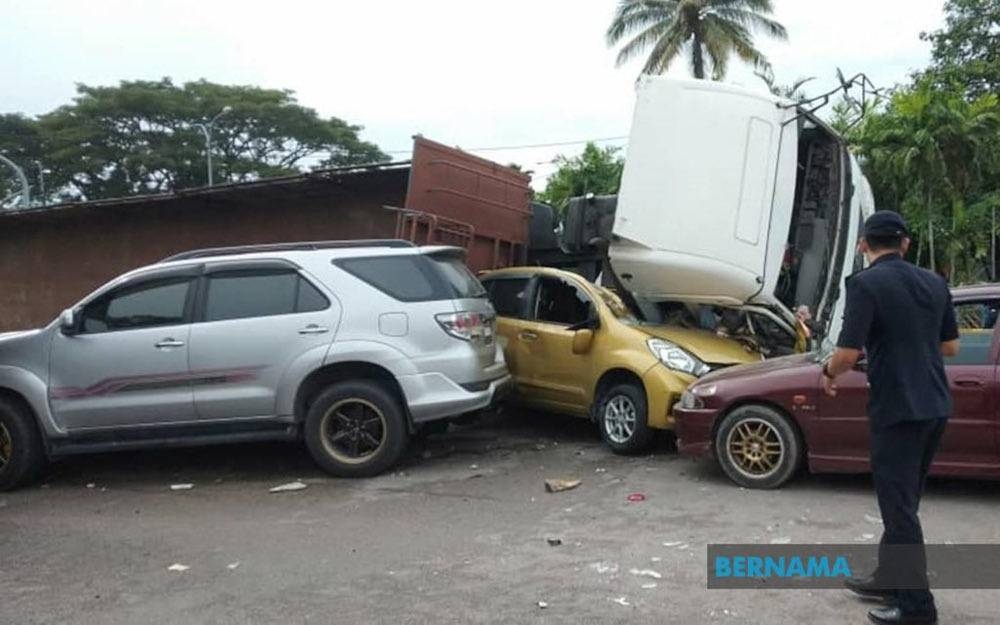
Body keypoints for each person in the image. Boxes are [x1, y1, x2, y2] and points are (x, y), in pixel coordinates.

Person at [821, 211, 959, 625]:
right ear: (906, 244)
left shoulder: (864, 284)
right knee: (905, 503)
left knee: (899, 510)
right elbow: (949, 347)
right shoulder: (935, 282)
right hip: (935, 405)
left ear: (864, 245)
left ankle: (918, 608)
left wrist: (829, 373)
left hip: (897, 409)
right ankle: (887, 576)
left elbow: (846, 355)